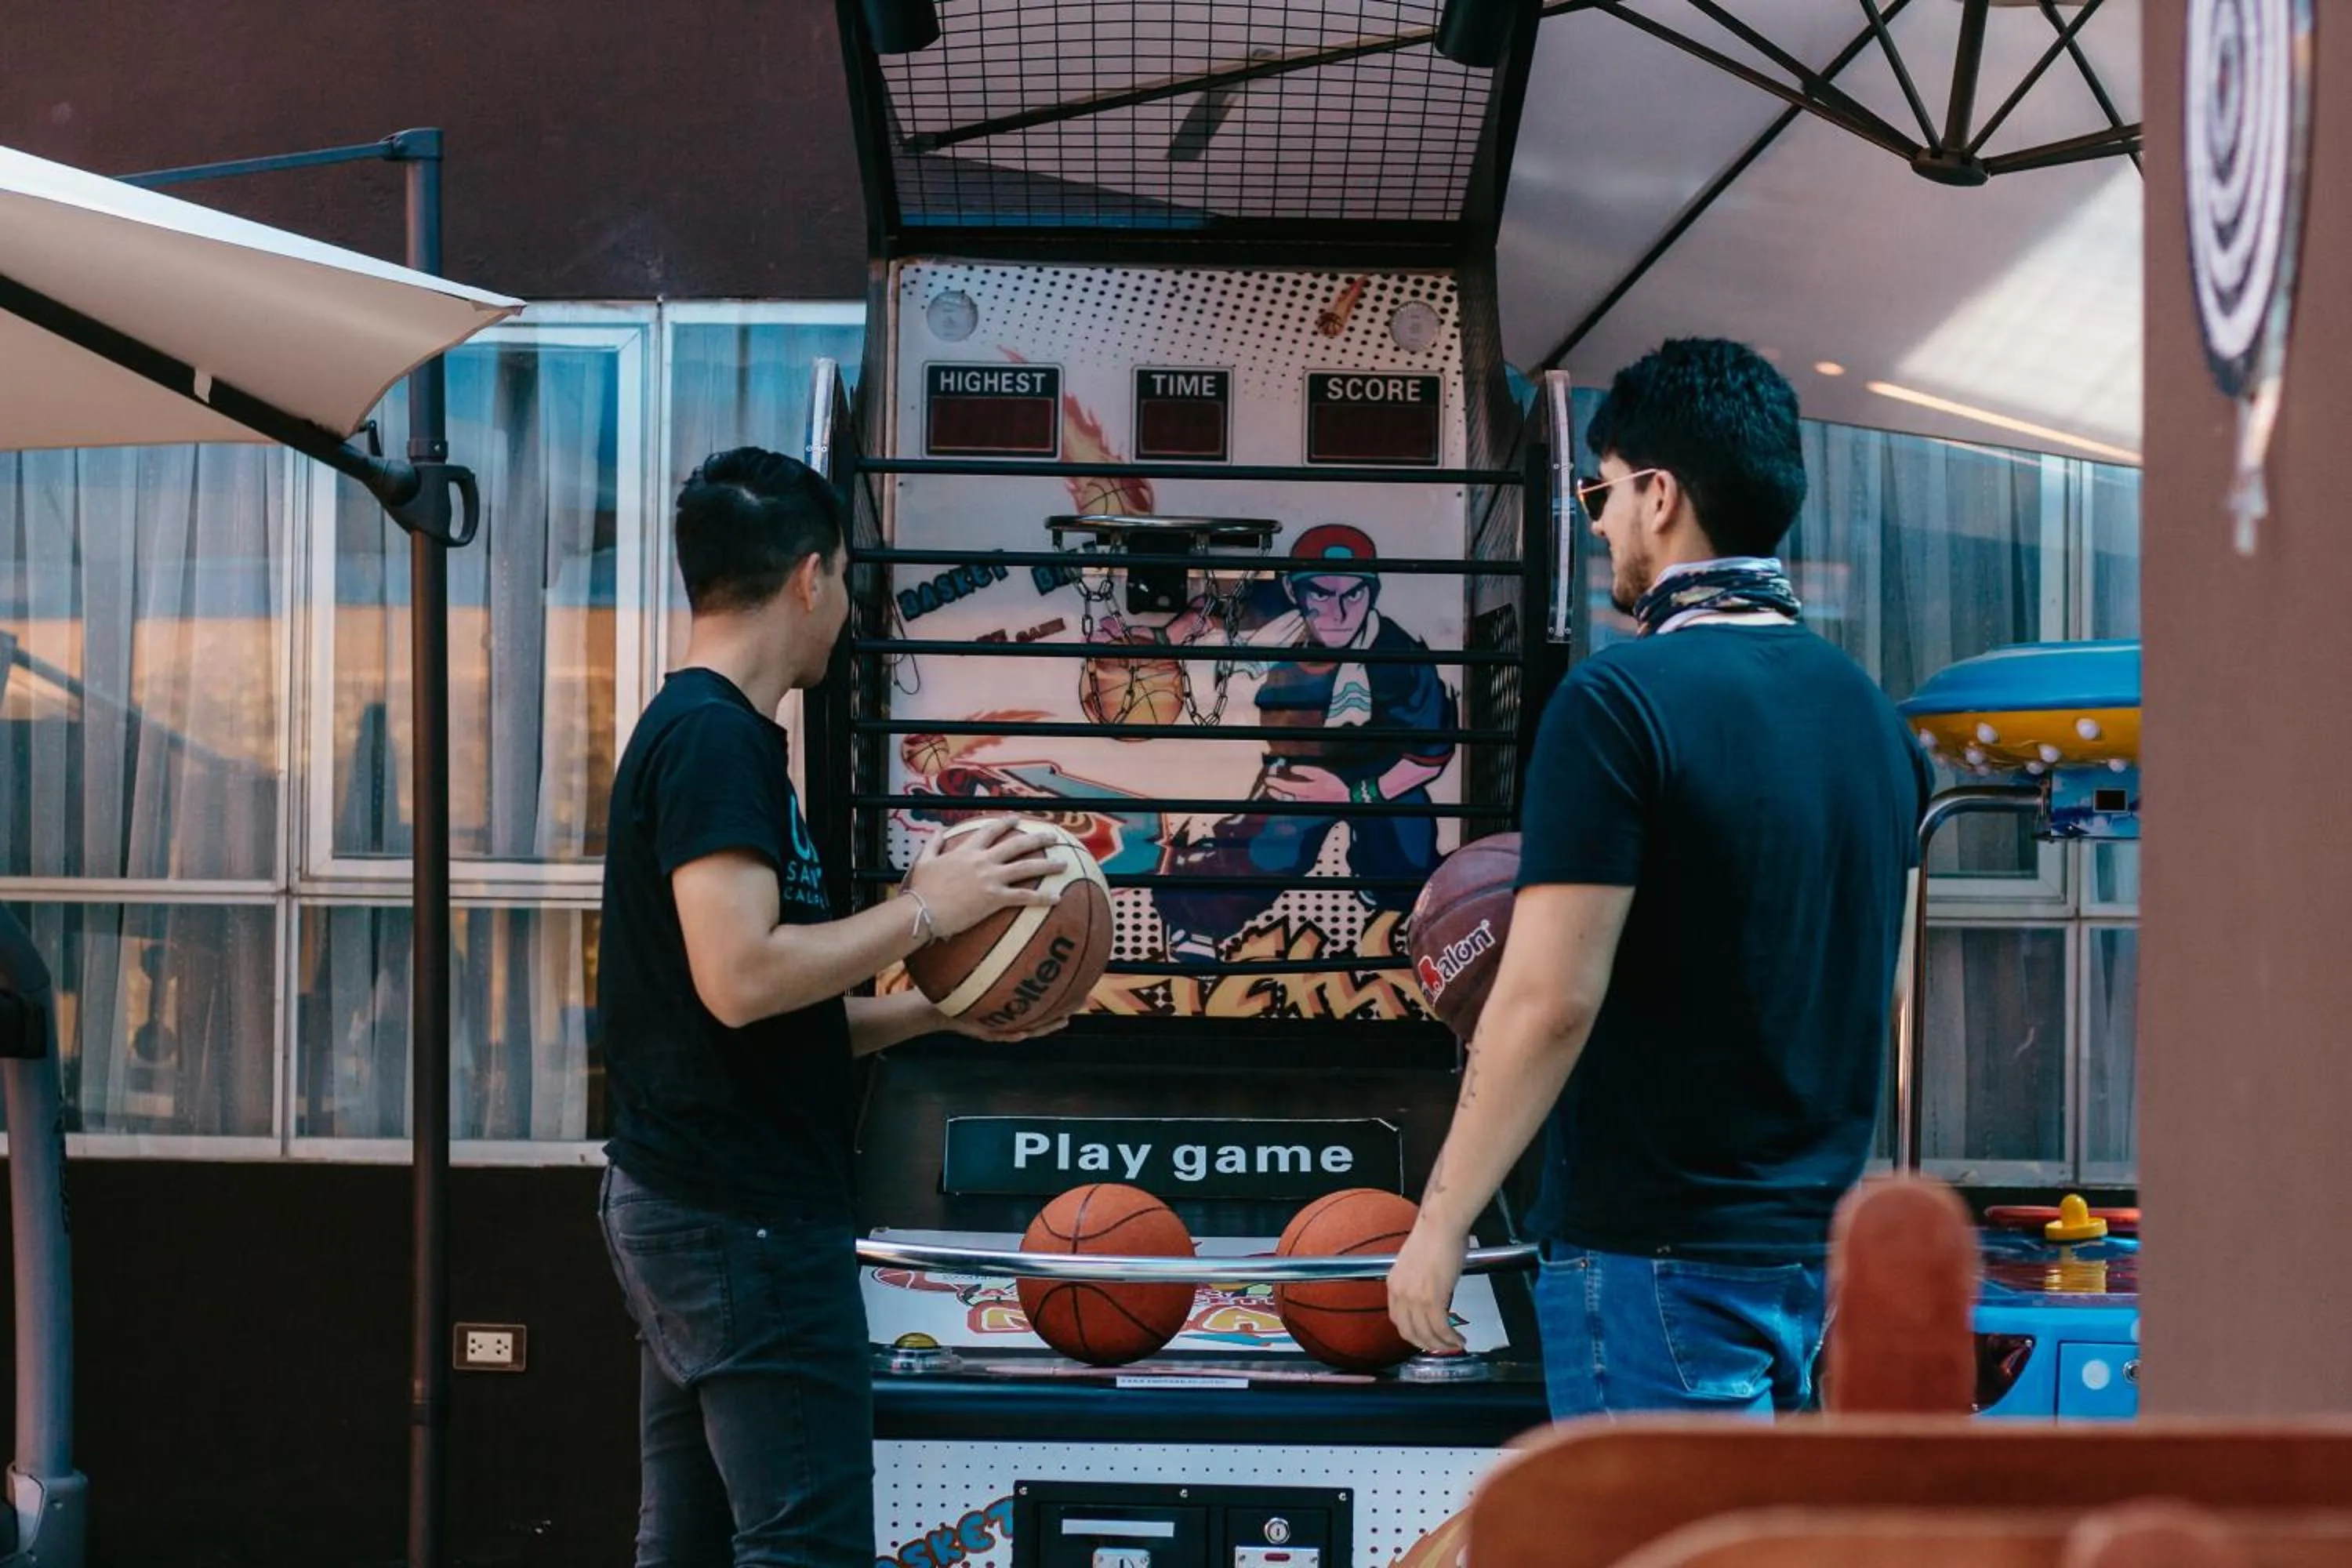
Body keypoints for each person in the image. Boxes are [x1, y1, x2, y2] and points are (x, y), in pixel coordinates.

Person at [1385, 339, 1932, 1418]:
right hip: (1815, 1260)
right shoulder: (1874, 717)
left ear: (1660, 493)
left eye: (1601, 490)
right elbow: (1888, 983)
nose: (1595, 521)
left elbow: (1550, 1000)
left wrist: (1440, 1223)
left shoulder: (1616, 706)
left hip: (1653, 1260)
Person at [595, 446, 1063, 1563]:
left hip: (695, 1206)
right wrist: (925, 912)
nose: (848, 609)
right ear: (810, 577)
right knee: (807, 1549)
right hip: (740, 1221)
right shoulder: (714, 741)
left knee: (694, 1545)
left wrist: (945, 1013)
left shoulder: (711, 734)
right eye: (847, 580)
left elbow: (763, 1013)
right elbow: (744, 976)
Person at [1145, 524, 1457, 963]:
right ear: (1295, 592)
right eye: (1323, 595)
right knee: (1265, 850)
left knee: (1403, 865)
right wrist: (1159, 642)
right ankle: (1195, 922)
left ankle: (1387, 889)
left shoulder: (1400, 659)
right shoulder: (1273, 609)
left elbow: (1427, 758)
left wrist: (1354, 795)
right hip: (1298, 766)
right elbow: (1212, 611)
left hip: (1384, 773)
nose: (1339, 611)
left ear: (1372, 593)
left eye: (1353, 595)